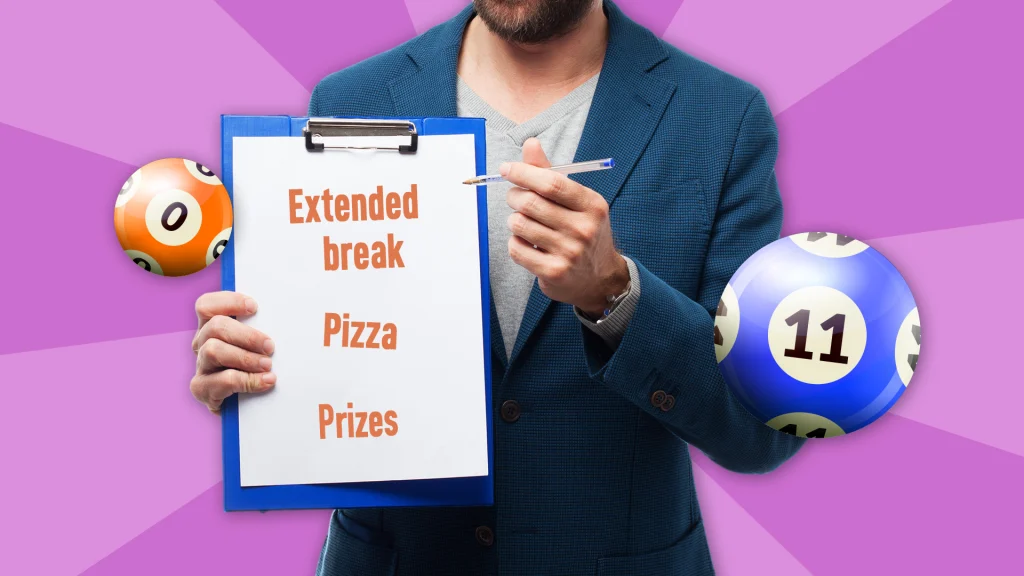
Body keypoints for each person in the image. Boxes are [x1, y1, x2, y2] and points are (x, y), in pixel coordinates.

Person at [189, 1, 804, 574]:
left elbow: (758, 432)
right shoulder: (353, 98)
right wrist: (254, 376)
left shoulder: (721, 119)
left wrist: (615, 294)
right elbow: (333, 346)